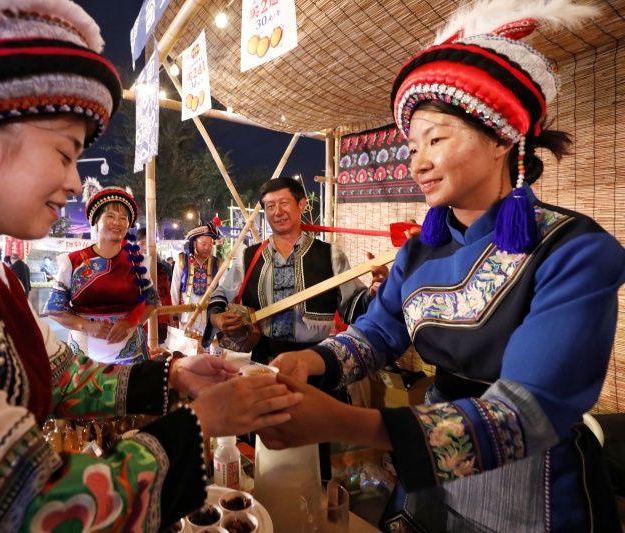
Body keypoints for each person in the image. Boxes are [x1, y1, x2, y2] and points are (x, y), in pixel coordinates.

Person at [0, 1, 303, 530]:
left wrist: (172, 373)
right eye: (63, 152)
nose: (76, 183)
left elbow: (60, 376)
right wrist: (201, 424)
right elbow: (31, 511)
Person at [264, 2, 625, 531]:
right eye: (412, 147)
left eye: (436, 140)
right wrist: (310, 362)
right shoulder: (419, 252)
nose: (418, 163)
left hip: (529, 486)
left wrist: (345, 422)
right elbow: (378, 333)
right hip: (427, 475)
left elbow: (525, 412)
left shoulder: (572, 250)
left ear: (500, 138)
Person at [205, 176, 378, 365]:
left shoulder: (330, 255)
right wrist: (216, 317)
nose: (277, 212)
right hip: (263, 364)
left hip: (316, 362)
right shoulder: (249, 256)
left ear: (301, 204)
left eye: (284, 203)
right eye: (270, 206)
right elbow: (221, 295)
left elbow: (354, 304)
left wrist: (376, 291)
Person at [44, 183, 156, 364]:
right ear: (96, 220)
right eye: (110, 216)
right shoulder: (73, 261)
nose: (117, 222)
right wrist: (87, 326)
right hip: (84, 352)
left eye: (123, 218)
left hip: (131, 351)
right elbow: (55, 310)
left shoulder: (139, 262)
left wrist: (130, 322)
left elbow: (152, 302)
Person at [171, 222, 221, 339]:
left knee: (208, 345)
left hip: (209, 313)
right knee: (187, 345)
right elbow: (175, 287)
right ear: (194, 243)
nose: (207, 248)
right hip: (187, 313)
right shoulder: (182, 260)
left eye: (210, 244)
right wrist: (174, 313)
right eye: (203, 244)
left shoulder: (217, 263)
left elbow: (223, 288)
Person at [137, 226, 174, 345]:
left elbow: (167, 296)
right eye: (142, 243)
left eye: (149, 244)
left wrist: (171, 319)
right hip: (139, 322)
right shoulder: (131, 268)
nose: (146, 248)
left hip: (161, 319)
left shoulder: (162, 268)